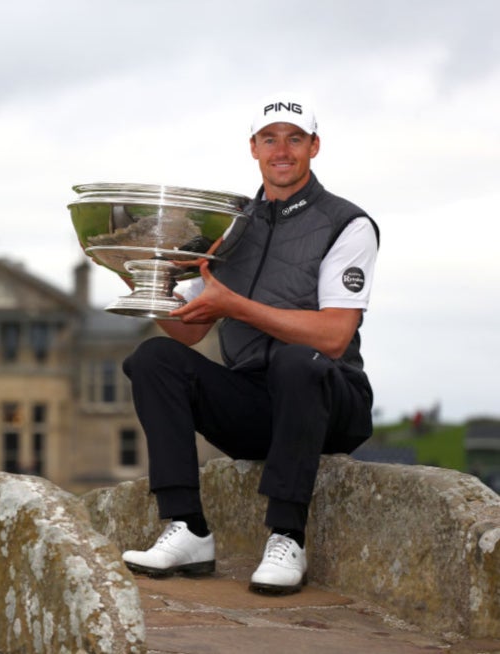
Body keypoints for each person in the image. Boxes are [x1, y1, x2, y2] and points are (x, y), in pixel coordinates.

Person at [120, 93, 379, 595]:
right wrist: (143, 286)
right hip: (255, 408)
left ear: (314, 147)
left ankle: (287, 535)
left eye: (294, 138)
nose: (282, 149)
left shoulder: (348, 224)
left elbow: (333, 336)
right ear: (254, 149)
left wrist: (235, 306)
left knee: (296, 361)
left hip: (329, 401)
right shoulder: (228, 228)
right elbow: (193, 328)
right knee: (152, 358)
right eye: (270, 139)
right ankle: (187, 528)